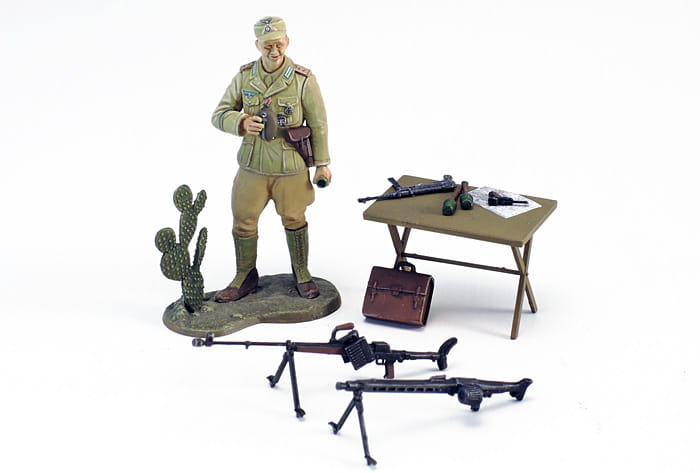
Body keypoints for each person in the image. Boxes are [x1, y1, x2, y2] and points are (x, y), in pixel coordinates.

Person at [211, 16, 332, 301]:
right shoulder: (244, 77)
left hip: (290, 164)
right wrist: (241, 122)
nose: (274, 51)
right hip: (252, 163)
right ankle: (244, 276)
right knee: (243, 220)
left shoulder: (302, 80)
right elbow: (219, 114)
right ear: (257, 45)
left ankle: (301, 273)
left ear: (287, 42)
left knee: (294, 218)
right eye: (267, 46)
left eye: (278, 44)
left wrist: (322, 165)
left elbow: (318, 125)